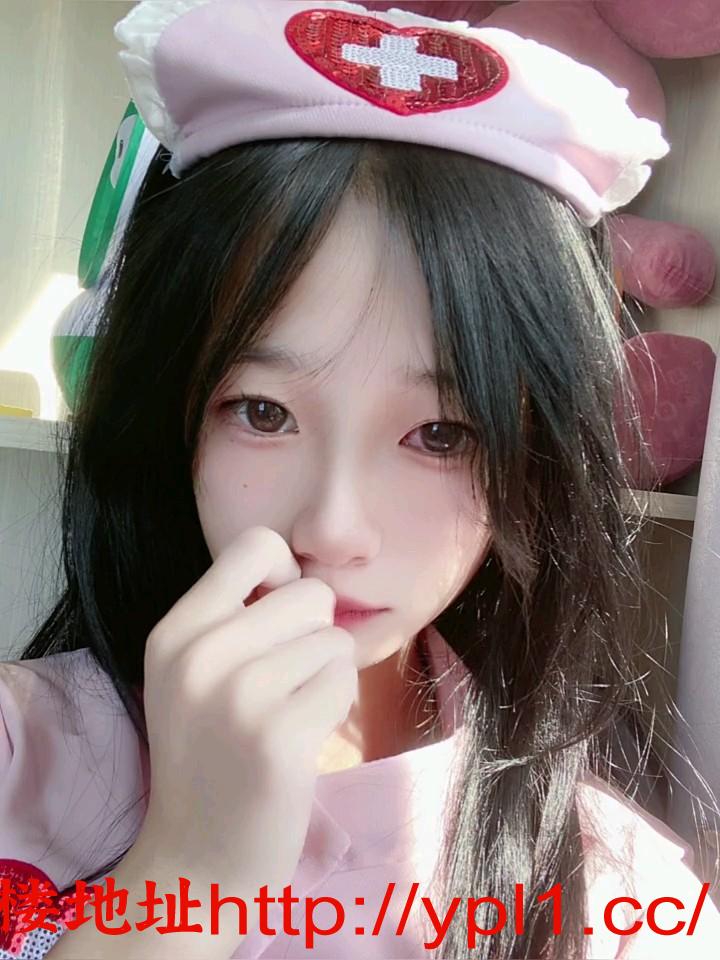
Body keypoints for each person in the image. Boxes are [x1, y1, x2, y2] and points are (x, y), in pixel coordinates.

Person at [1, 1, 718, 958]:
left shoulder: (618, 901)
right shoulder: (18, 753)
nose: (334, 529)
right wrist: (187, 881)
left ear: (534, 458)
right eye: (263, 413)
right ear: (174, 413)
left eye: (440, 433)